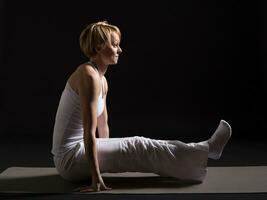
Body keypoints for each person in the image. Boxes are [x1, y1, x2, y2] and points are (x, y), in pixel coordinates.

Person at [51, 21, 232, 192]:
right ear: (98, 47)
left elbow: (103, 126)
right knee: (137, 146)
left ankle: (202, 153)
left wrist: (107, 154)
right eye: (115, 45)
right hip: (69, 159)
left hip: (80, 150)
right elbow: (90, 132)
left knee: (137, 145)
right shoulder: (87, 75)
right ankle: (205, 151)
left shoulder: (102, 80)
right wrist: (96, 177)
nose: (120, 50)